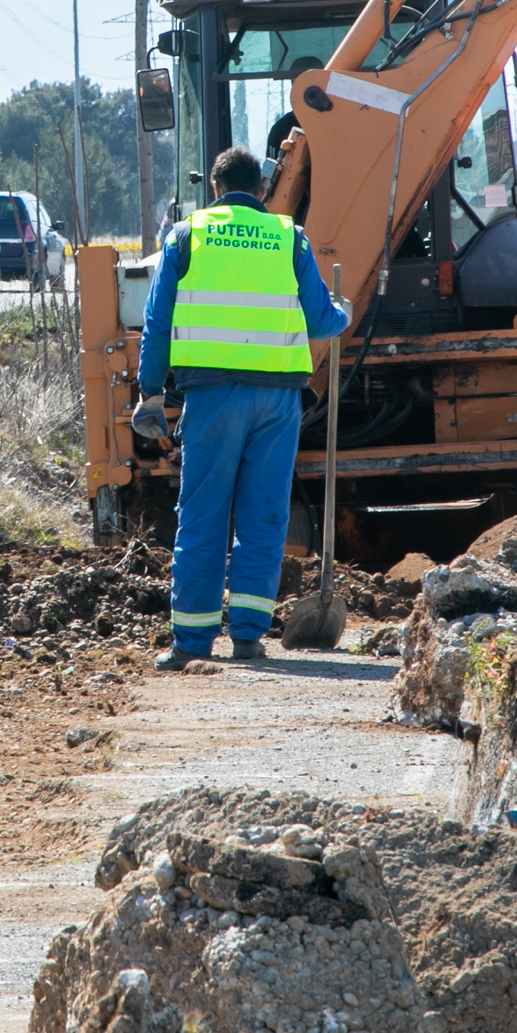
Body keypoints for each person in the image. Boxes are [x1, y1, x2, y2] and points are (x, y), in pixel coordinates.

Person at [132, 144, 353, 668]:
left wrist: (150, 391)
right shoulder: (287, 238)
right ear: (261, 189)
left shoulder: (187, 236)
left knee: (204, 516)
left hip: (211, 400)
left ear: (212, 188)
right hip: (278, 401)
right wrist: (341, 312)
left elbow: (157, 323)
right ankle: (249, 638)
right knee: (264, 516)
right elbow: (321, 323)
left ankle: (190, 643)